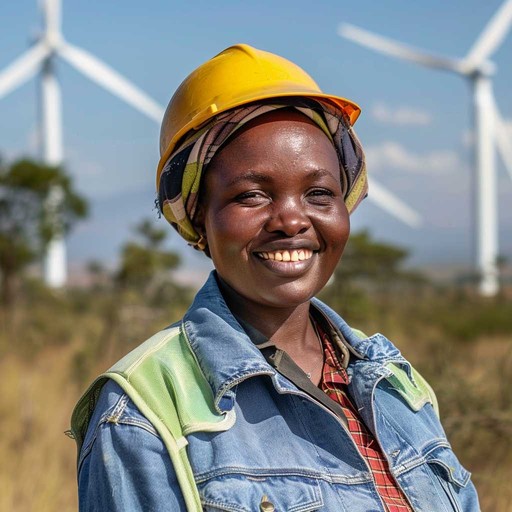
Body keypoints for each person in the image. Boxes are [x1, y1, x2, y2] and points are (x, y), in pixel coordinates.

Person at [71, 44, 480, 511]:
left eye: (319, 193)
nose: (291, 219)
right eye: (252, 195)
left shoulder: (397, 385)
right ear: (199, 215)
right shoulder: (143, 411)